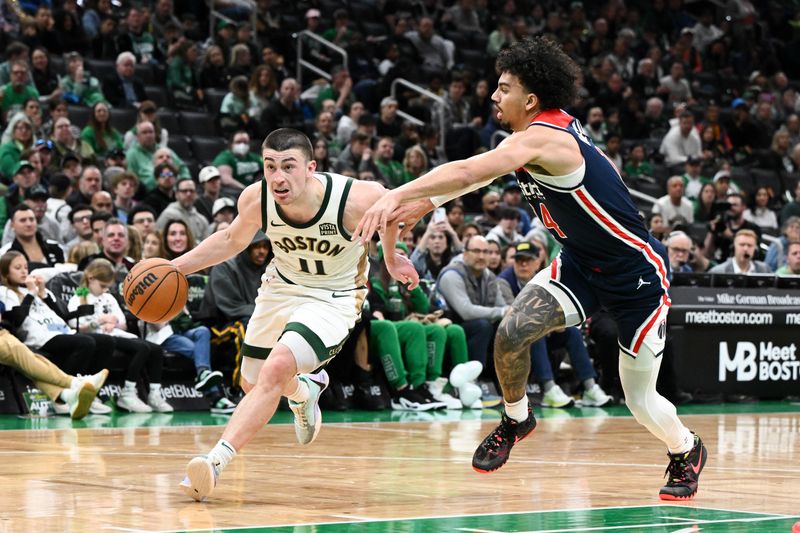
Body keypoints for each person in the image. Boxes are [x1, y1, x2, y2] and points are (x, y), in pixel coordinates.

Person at [355, 37, 707, 501]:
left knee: (640, 401)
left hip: (635, 274)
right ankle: (516, 417)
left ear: (531, 99)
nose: (494, 96)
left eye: (503, 88)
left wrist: (394, 196)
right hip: (580, 265)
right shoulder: (528, 139)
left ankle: (686, 449)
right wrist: (422, 205)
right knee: (511, 331)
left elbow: (466, 170)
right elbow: (473, 178)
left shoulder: (546, 138)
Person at [175, 128, 420, 501]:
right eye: (270, 166)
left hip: (333, 297)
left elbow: (389, 211)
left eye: (288, 166)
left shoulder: (353, 198)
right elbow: (229, 241)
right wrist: (173, 268)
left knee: (276, 369)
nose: (277, 177)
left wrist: (389, 256)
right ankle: (305, 390)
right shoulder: (256, 199)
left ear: (311, 167)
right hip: (282, 287)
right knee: (253, 384)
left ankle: (214, 463)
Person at [66, 258, 173, 413]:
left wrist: (113, 323)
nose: (104, 290)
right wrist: (99, 322)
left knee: (155, 349)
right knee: (142, 348)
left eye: (107, 287)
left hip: (117, 333)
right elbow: (74, 326)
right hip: (97, 336)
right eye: (102, 286)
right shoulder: (78, 298)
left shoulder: (109, 298)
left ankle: (154, 394)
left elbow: (123, 323)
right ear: (91, 279)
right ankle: (127, 393)